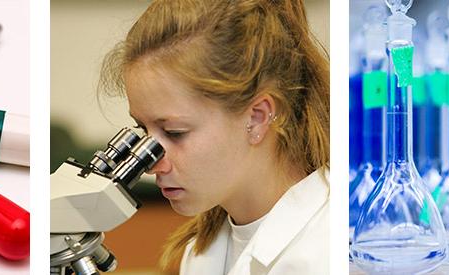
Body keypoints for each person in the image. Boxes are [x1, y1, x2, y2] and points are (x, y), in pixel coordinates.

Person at [99, 0, 330, 273]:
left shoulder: (325, 251)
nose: (152, 163)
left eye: (175, 132)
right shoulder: (201, 251)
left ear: (257, 117)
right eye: (142, 130)